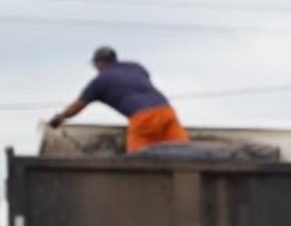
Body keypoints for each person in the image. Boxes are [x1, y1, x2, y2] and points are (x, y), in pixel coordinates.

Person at [47, 46, 188, 152]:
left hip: (143, 117)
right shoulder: (136, 67)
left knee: (139, 161)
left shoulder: (100, 81)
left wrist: (60, 118)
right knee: (184, 152)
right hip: (166, 111)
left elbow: (78, 105)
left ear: (100, 63)